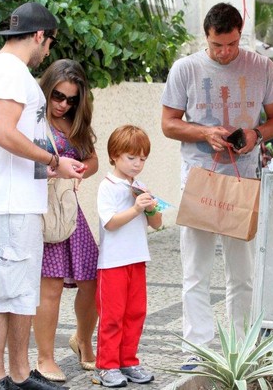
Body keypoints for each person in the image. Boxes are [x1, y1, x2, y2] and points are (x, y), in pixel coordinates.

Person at [161, 2, 273, 368]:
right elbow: (168, 123)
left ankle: (241, 346)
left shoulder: (262, 67)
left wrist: (256, 133)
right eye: (218, 46)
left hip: (243, 179)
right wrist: (204, 132)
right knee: (195, 269)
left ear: (240, 34)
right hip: (200, 178)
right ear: (207, 37)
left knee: (243, 271)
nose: (225, 52)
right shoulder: (186, 68)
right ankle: (196, 348)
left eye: (231, 44)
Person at [0, 2, 84, 390]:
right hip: (7, 202)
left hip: (20, 200)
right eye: (50, 42)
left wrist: (56, 167)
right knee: (2, 292)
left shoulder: (5, 70)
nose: (49, 51)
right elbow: (4, 134)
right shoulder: (9, 72)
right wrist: (53, 159)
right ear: (39, 36)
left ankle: (19, 375)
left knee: (20, 293)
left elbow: (20, 138)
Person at [32, 59, 99, 382]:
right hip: (44, 210)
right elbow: (20, 162)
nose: (63, 104)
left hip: (70, 209)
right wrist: (57, 167)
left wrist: (81, 168)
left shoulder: (75, 122)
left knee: (92, 281)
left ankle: (83, 339)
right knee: (51, 287)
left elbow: (93, 158)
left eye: (72, 99)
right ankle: (45, 358)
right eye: (58, 96)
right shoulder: (33, 119)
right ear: (47, 88)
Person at [93, 125, 162, 387]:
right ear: (114, 155)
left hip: (137, 259)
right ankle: (107, 365)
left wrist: (152, 209)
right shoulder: (107, 186)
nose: (137, 164)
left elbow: (157, 224)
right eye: (131, 158)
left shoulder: (141, 186)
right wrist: (136, 209)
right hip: (112, 263)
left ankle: (128, 360)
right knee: (112, 316)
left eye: (142, 158)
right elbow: (110, 222)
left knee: (135, 313)